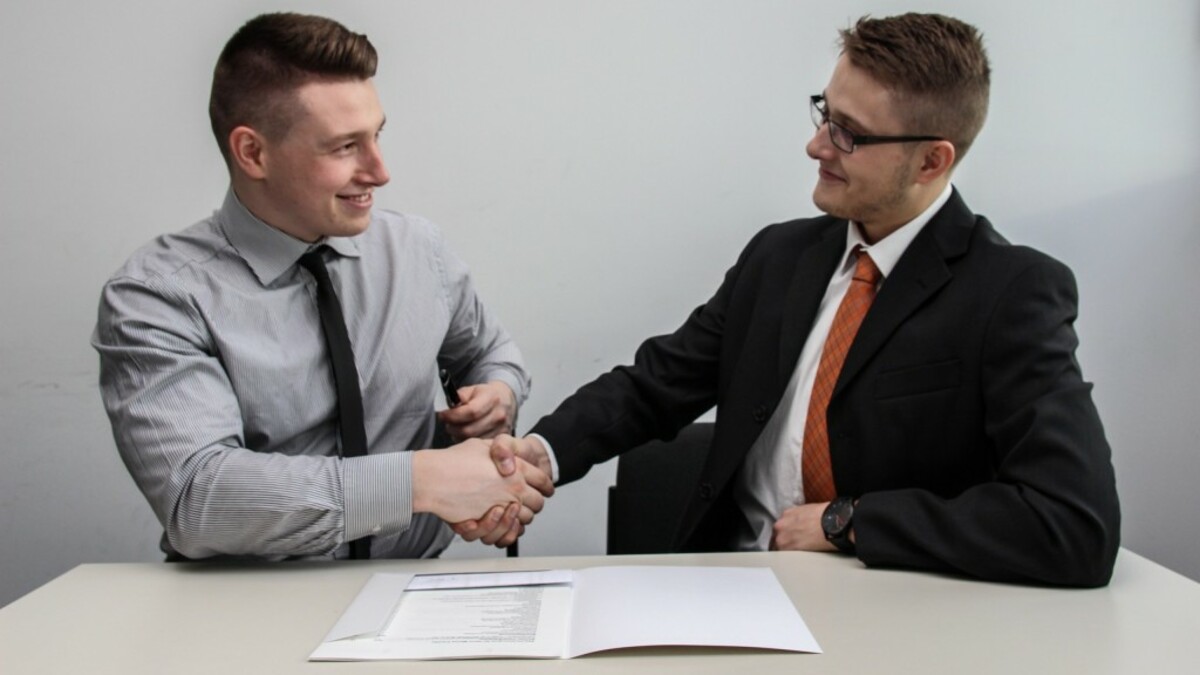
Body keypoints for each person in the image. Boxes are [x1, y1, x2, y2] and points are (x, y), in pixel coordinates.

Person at [471, 13, 1120, 587]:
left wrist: (849, 522)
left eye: (848, 134)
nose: (817, 146)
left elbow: (1073, 523)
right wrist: (541, 452)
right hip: (726, 591)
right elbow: (656, 385)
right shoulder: (779, 259)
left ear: (931, 161)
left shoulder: (1011, 293)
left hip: (889, 617)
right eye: (824, 114)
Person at [92, 12, 551, 561]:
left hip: (414, 590)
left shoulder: (418, 250)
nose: (379, 172)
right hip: (243, 611)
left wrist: (496, 395)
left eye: (377, 136)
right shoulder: (156, 297)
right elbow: (200, 500)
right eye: (344, 147)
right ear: (253, 153)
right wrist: (418, 481)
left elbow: (490, 354)